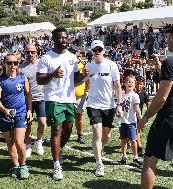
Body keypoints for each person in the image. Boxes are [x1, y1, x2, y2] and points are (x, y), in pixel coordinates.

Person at [138, 23, 173, 189]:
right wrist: (159, 67)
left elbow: (162, 97)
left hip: (168, 120)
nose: (165, 41)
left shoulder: (171, 61)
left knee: (149, 160)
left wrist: (145, 117)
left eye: (167, 37)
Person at [36, 27, 88, 180]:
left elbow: (76, 80)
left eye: (65, 37)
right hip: (53, 98)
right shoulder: (47, 58)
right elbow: (39, 80)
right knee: (57, 130)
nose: (63, 40)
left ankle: (60, 149)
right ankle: (56, 165)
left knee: (68, 128)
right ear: (54, 39)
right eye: (60, 38)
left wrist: (84, 76)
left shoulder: (72, 57)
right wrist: (53, 74)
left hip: (69, 99)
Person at [85, 40, 122, 177]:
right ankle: (99, 163)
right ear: (92, 52)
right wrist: (83, 74)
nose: (97, 52)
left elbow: (117, 86)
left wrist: (119, 104)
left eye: (99, 49)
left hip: (109, 105)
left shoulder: (112, 65)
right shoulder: (88, 66)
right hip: (93, 104)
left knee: (106, 136)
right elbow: (78, 81)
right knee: (97, 132)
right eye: (95, 50)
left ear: (104, 51)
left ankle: (100, 148)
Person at [0, 54, 33, 179]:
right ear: (4, 64)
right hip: (5, 115)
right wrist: (5, 110)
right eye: (10, 63)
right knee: (10, 142)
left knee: (19, 141)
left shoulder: (22, 78)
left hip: (20, 113)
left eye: (15, 63)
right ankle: (15, 166)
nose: (13, 65)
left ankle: (23, 165)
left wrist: (29, 110)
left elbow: (28, 95)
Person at [19, 44, 46, 158]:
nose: (30, 54)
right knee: (28, 123)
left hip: (41, 98)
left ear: (36, 52)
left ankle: (39, 141)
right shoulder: (21, 67)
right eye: (27, 52)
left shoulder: (42, 64)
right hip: (26, 99)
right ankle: (29, 145)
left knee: (42, 122)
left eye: (32, 51)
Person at [119, 75, 142, 166]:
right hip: (122, 121)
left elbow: (137, 108)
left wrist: (140, 118)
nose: (130, 83)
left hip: (131, 121)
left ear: (134, 84)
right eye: (128, 81)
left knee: (133, 140)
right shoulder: (121, 94)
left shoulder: (135, 95)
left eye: (132, 82)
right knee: (123, 140)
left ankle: (136, 157)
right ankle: (124, 156)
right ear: (124, 83)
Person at [135, 77, 150, 156]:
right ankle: (137, 146)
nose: (139, 86)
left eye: (141, 84)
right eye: (137, 84)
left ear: (143, 85)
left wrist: (146, 117)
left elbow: (148, 105)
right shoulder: (131, 92)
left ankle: (139, 147)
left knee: (137, 131)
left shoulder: (144, 94)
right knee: (132, 132)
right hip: (129, 115)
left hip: (138, 115)